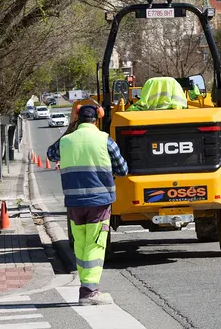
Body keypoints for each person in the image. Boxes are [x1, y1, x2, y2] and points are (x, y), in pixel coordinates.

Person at [46, 104, 128, 306]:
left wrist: (69, 128)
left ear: (77, 119)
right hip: (99, 203)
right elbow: (123, 169)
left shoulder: (66, 141)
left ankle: (85, 287)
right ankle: (90, 291)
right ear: (97, 118)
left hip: (74, 203)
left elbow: (51, 154)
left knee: (81, 244)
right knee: (95, 244)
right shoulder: (104, 140)